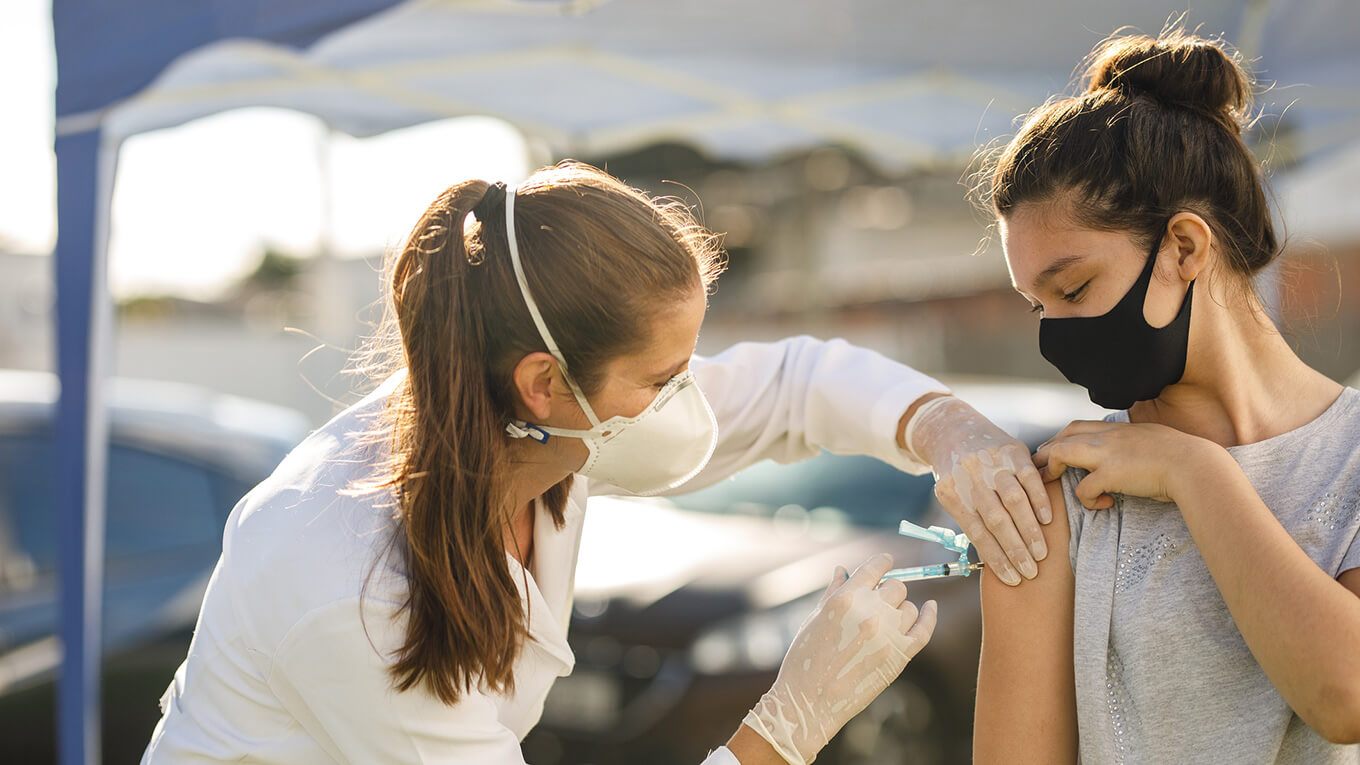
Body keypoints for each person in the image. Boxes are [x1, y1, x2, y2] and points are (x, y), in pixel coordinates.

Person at [142, 161, 1047, 764]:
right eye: (663, 377)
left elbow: (795, 387)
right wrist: (788, 723)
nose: (689, 398)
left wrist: (948, 426)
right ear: (544, 383)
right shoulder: (350, 577)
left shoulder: (524, 426)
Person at [972, 29, 1360, 763]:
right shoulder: (1062, 495)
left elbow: (1347, 692)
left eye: (1075, 288)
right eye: (1038, 306)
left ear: (1184, 247)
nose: (1056, 334)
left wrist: (1194, 472)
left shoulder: (1350, 456)